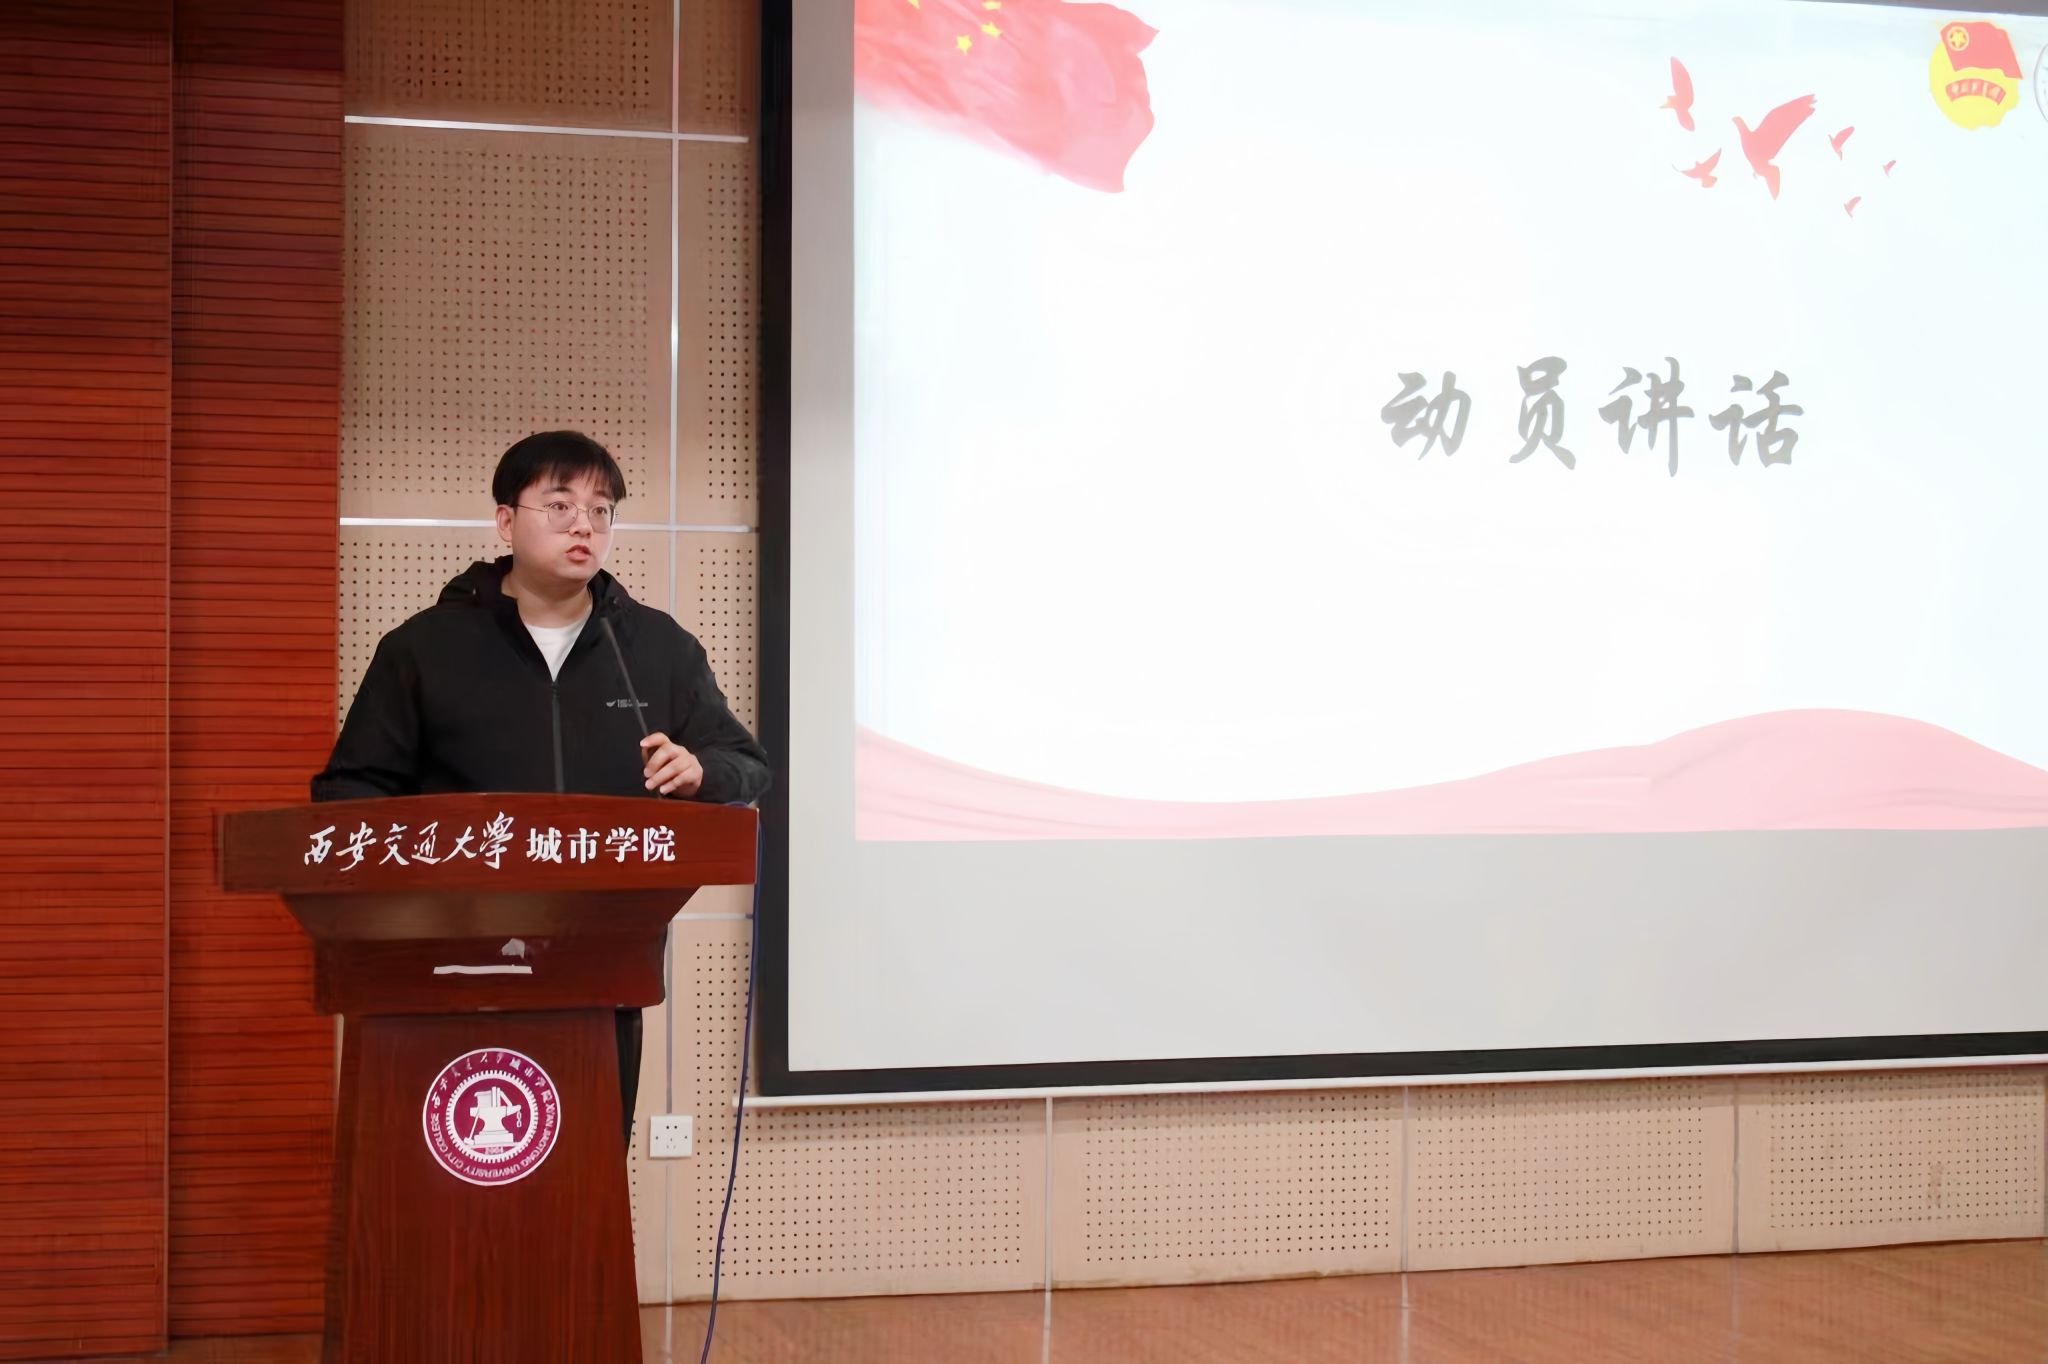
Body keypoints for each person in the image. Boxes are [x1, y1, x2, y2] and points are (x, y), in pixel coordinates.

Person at [312, 429, 770, 1145]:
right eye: (559, 505)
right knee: (463, 1162)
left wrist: (702, 771)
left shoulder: (658, 648)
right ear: (505, 521)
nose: (584, 524)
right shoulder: (423, 648)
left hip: (604, 964)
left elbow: (747, 764)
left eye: (601, 509)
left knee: (587, 1171)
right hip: (450, 964)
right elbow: (350, 792)